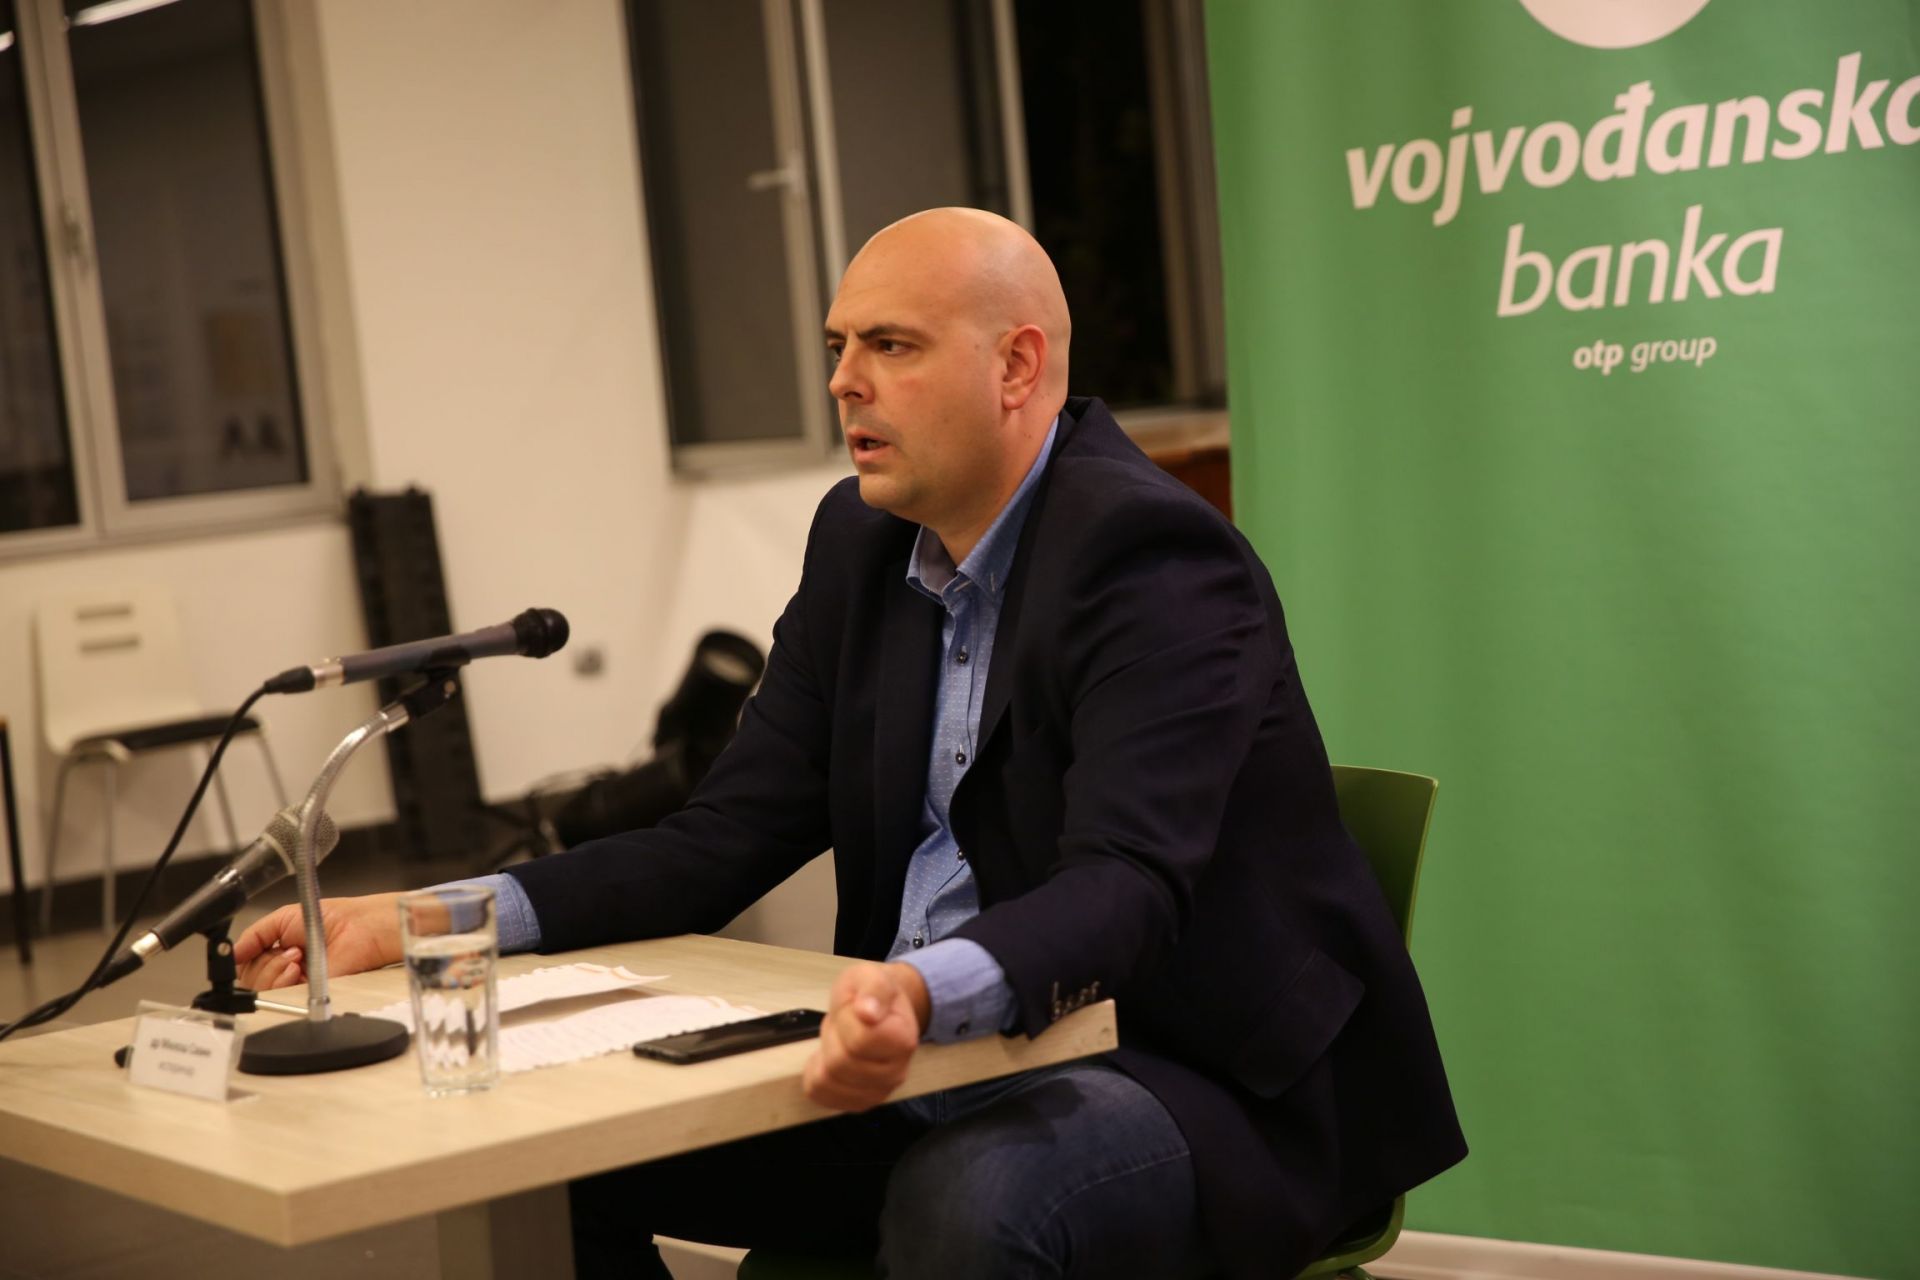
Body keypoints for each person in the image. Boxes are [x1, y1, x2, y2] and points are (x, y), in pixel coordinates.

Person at [236, 208, 1466, 1279]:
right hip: (922, 1054)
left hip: (1182, 1069)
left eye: (891, 345)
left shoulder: (1154, 558)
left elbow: (1127, 884)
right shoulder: (859, 544)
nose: (843, 382)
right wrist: (430, 918)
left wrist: (924, 989)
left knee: (976, 1197)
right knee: (551, 1157)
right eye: (838, 345)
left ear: (1017, 365)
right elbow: (719, 838)